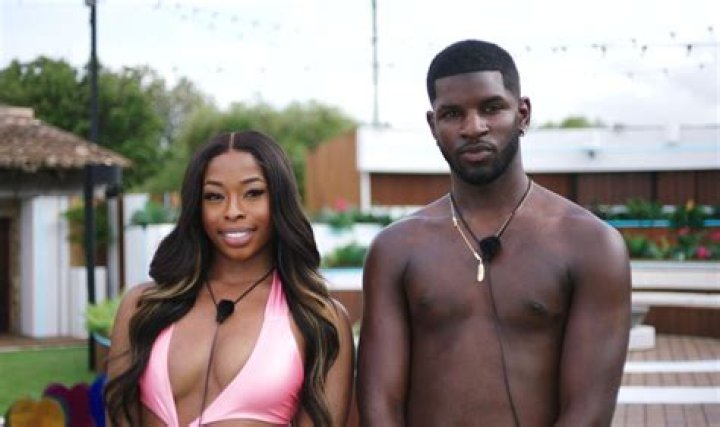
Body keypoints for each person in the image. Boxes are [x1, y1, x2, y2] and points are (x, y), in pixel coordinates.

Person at [357, 40, 631, 426]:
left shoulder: (590, 245)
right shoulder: (396, 248)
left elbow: (588, 412)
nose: (473, 128)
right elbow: (379, 406)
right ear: (433, 126)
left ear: (523, 113)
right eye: (452, 113)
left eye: (491, 107)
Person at [105, 130, 354, 426]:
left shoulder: (318, 318)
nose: (232, 211)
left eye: (253, 193)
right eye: (214, 196)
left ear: (280, 200)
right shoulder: (142, 306)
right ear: (197, 206)